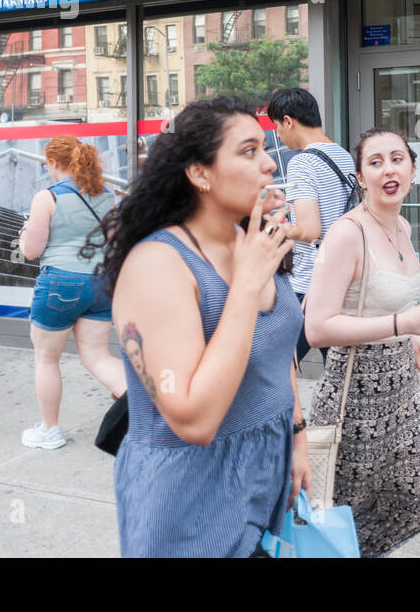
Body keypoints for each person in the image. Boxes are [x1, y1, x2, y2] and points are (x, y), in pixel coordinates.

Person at [100, 96, 306, 557]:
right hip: (191, 495)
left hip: (267, 469)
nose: (270, 164)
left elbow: (277, 347)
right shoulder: (158, 264)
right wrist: (248, 285)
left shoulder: (248, 238)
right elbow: (194, 418)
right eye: (248, 151)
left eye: (265, 148)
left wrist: (297, 434)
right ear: (200, 173)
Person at [304, 127, 420, 558]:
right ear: (360, 177)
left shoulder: (404, 228)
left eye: (398, 158)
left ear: (413, 168)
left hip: (404, 398)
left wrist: (412, 339)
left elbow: (376, 308)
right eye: (375, 162)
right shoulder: (346, 234)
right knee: (348, 535)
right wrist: (403, 323)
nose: (388, 169)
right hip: (355, 406)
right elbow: (316, 328)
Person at [17, 136, 125, 449]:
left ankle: (49, 431)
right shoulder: (107, 195)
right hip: (101, 281)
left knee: (47, 359)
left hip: (61, 282)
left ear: (54, 163)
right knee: (98, 356)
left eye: (46, 164)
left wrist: (25, 232)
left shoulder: (47, 197)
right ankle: (146, 408)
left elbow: (31, 251)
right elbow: (113, 242)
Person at [267, 87, 357, 365]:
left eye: (277, 128)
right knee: (339, 365)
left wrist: (275, 227)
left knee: (278, 364)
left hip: (309, 282)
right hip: (339, 275)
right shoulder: (343, 155)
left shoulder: (302, 163)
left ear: (289, 121)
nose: (278, 136)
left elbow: (309, 230)